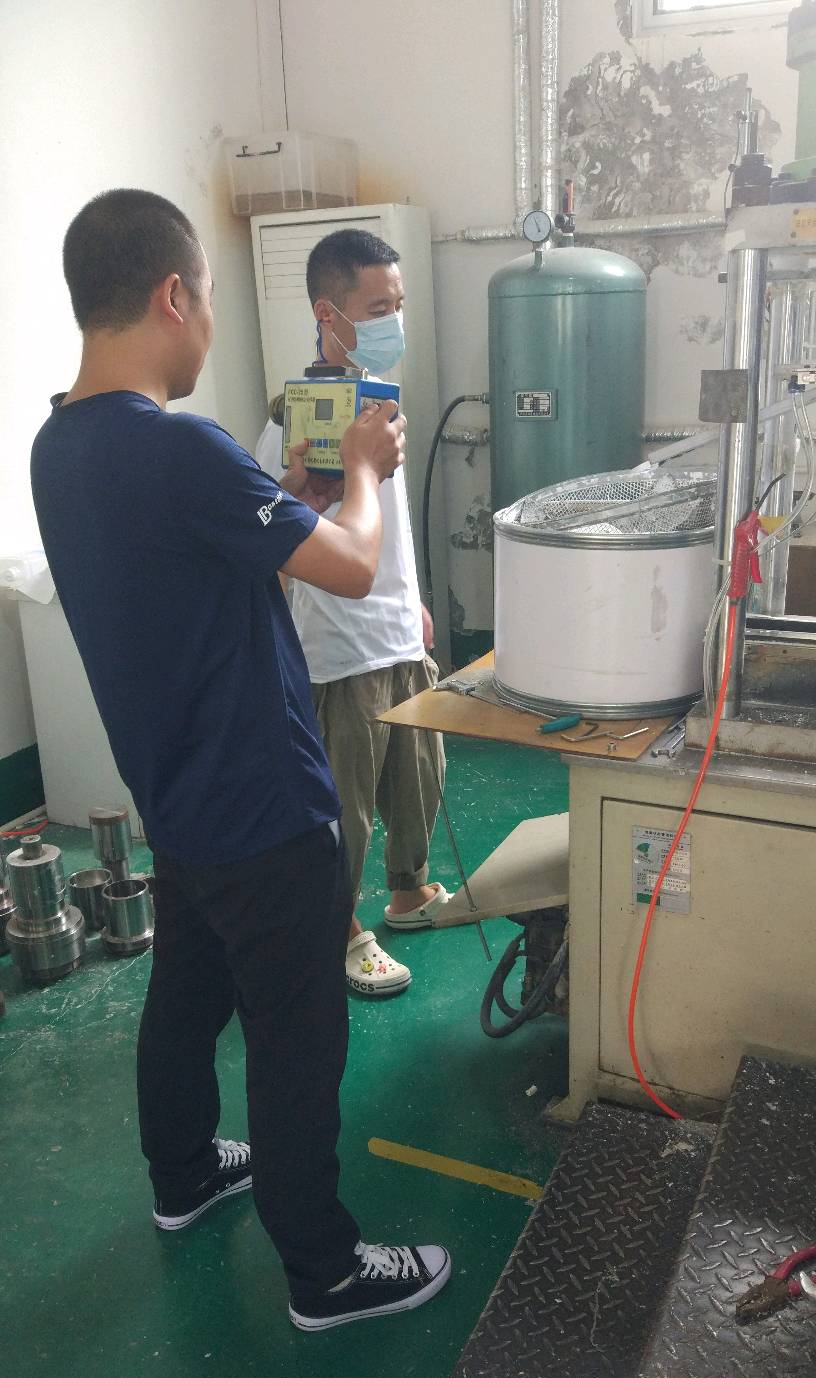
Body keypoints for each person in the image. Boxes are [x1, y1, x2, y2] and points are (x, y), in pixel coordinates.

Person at [30, 189, 450, 1330]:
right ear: (174, 296)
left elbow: (196, 563)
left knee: (186, 995)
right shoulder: (180, 446)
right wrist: (360, 470)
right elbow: (354, 567)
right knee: (298, 1035)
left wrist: (294, 497)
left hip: (175, 792)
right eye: (208, 300)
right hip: (263, 798)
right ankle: (326, 1270)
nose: (209, 325)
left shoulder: (59, 445)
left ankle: (182, 1177)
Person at [255, 230, 447, 1000]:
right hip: (339, 653)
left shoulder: (377, 406)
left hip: (398, 633)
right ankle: (336, 930)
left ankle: (409, 892)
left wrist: (414, 601)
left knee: (420, 779)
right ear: (327, 314)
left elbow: (388, 523)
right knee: (347, 810)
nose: (393, 321)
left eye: (398, 305)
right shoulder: (289, 427)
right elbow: (274, 534)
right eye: (376, 309)